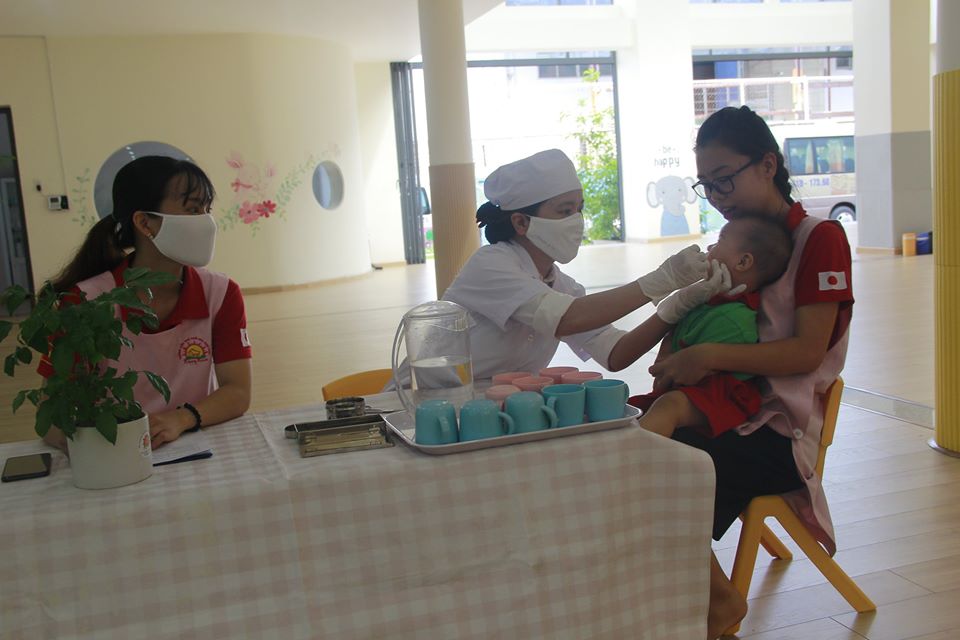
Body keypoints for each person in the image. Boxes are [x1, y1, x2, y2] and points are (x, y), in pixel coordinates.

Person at [647, 106, 854, 639]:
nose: (716, 196)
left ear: (767, 165)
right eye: (706, 185)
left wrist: (707, 355)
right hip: (726, 408)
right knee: (630, 449)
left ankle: (714, 605)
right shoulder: (736, 242)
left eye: (724, 179)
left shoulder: (819, 238)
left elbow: (806, 353)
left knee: (652, 472)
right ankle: (697, 598)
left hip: (777, 429)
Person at [438, 148, 735, 381]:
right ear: (521, 222)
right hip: (439, 404)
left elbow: (615, 354)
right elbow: (567, 319)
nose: (576, 221)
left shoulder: (562, 286)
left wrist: (675, 307)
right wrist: (663, 279)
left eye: (579, 209)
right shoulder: (491, 264)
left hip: (498, 406)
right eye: (564, 211)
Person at [40, 156, 252, 450]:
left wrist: (181, 419)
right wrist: (120, 448)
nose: (206, 222)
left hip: (195, 446)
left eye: (207, 210)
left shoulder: (221, 293)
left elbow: (238, 392)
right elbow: (53, 419)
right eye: (192, 209)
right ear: (144, 223)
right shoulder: (86, 302)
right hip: (116, 452)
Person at [627, 215, 793, 440]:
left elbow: (690, 372)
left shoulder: (734, 319)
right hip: (689, 389)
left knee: (669, 405)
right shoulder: (709, 303)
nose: (709, 248)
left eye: (719, 242)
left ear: (743, 262)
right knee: (635, 408)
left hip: (720, 396)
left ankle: (632, 455)